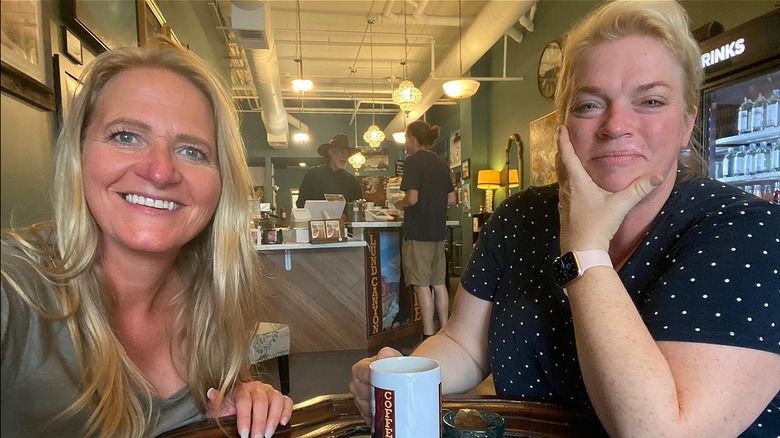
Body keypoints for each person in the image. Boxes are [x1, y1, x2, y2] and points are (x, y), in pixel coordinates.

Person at [350, 2, 780, 436]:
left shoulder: (748, 231)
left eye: (650, 101)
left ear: (687, 122)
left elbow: (662, 431)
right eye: (589, 105)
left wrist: (585, 251)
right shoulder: (521, 215)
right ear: (564, 124)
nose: (616, 125)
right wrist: (404, 375)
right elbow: (464, 344)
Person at [0, 37, 293, 438]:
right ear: (79, 151)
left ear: (221, 181)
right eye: (126, 136)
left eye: (192, 151)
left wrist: (244, 397)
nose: (160, 171)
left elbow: (215, 403)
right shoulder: (13, 288)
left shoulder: (211, 292)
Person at [393, 120, 456, 339]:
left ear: (412, 137)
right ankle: (446, 334)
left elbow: (412, 198)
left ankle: (428, 337)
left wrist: (397, 204)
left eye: (405, 138)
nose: (405, 143)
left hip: (418, 233)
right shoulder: (441, 163)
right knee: (439, 284)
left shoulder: (412, 161)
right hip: (438, 232)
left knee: (422, 287)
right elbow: (452, 198)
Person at [295, 134, 363, 208]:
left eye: (347, 153)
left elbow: (357, 207)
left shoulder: (353, 181)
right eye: (342, 151)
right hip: (314, 219)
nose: (345, 156)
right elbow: (301, 203)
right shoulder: (313, 174)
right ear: (330, 152)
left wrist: (345, 216)